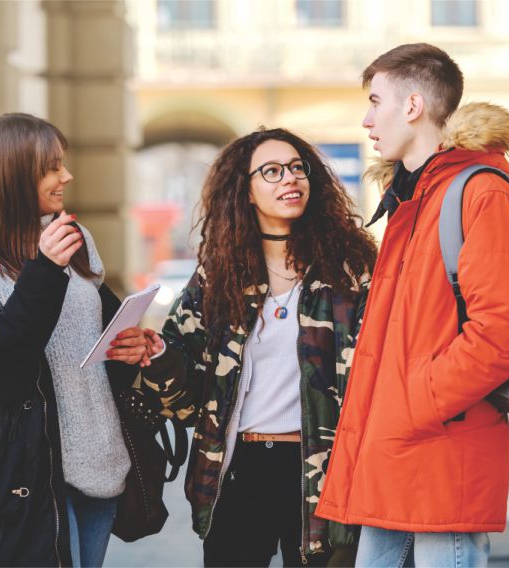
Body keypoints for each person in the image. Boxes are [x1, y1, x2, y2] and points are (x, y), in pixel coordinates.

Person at [314, 44, 509, 567]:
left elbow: (503, 331)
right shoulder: (414, 198)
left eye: (376, 102)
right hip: (397, 446)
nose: (367, 120)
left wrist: (417, 402)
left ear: (413, 105)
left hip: (439, 446)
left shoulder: (478, 192)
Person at [114, 127, 377, 566]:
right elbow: (188, 400)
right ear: (246, 191)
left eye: (297, 168)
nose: (289, 179)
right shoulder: (218, 277)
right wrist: (156, 354)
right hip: (238, 468)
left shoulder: (350, 271)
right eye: (271, 171)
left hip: (323, 472)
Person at [0, 113, 155, 566]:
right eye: (52, 167)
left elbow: (98, 341)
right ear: (14, 173)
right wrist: (45, 269)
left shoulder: (75, 238)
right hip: (34, 475)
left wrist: (134, 346)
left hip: (102, 463)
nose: (67, 176)